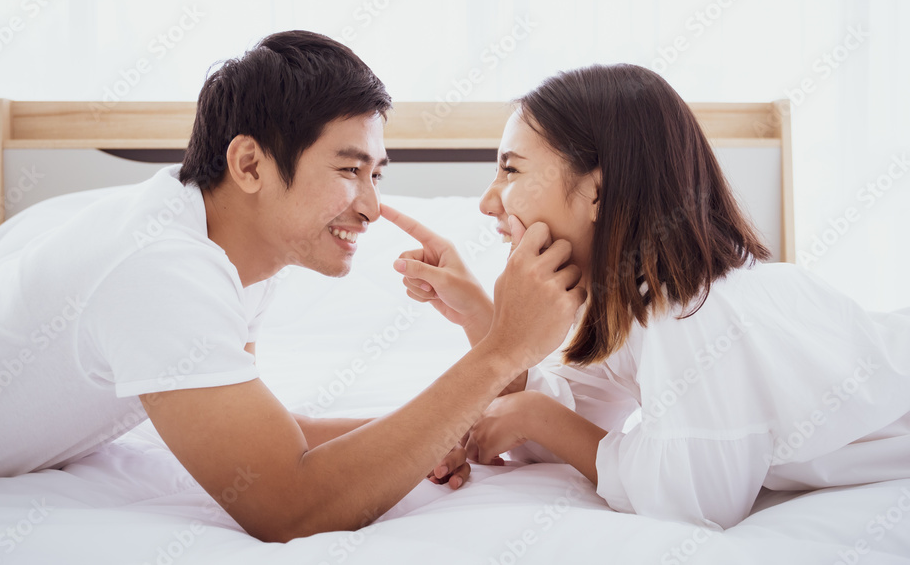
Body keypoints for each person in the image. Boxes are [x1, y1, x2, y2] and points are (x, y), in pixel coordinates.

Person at [0, 31, 585, 542]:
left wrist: (447, 433)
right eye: (350, 170)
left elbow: (270, 436)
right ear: (249, 163)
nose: (372, 206)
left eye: (377, 174)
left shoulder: (225, 246)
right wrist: (496, 353)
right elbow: (286, 503)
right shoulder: (160, 267)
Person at [390, 63, 910, 529]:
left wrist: (533, 416)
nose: (487, 202)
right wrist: (480, 318)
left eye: (511, 169)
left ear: (597, 190)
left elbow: (697, 497)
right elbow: (580, 421)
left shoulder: (688, 311)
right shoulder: (634, 300)